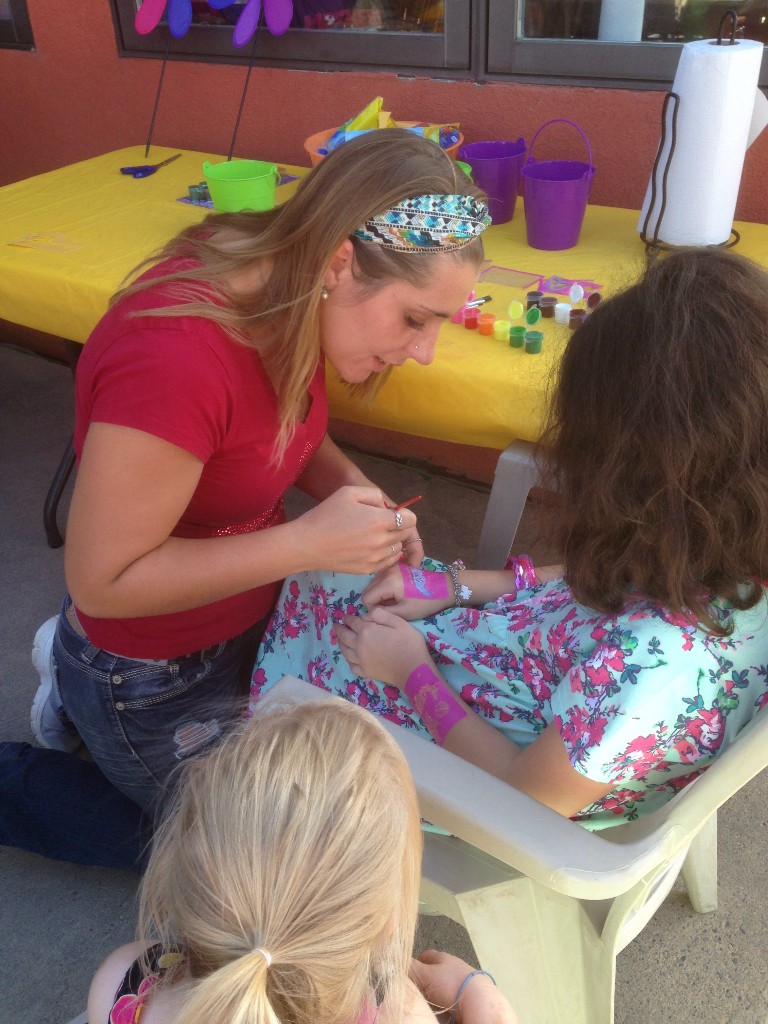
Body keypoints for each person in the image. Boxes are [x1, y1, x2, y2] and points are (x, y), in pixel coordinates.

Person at [4, 127, 487, 858]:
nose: (422, 352)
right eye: (415, 318)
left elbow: (279, 429)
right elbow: (102, 580)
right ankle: (44, 749)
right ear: (339, 262)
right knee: (249, 863)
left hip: (249, 623)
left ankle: (75, 694)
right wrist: (302, 544)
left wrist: (365, 498)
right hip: (149, 675)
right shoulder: (176, 360)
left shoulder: (288, 293)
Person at [251, 246, 768, 829]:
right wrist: (457, 585)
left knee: (307, 610)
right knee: (332, 571)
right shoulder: (722, 552)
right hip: (485, 664)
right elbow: (609, 580)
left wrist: (412, 674)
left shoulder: (655, 671)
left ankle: (261, 783)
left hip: (444, 751)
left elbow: (525, 804)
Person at [87, 697, 516, 1024]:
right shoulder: (401, 1013)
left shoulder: (123, 984)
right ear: (387, 923)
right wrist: (481, 997)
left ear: (179, 877)